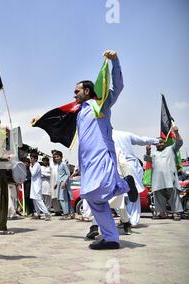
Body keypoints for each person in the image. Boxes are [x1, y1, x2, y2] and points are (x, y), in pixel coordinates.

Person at [73, 50, 138, 250]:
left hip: (102, 155)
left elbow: (118, 86)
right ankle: (111, 237)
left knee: (97, 192)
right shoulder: (79, 111)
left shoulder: (100, 104)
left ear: (87, 91)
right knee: (93, 199)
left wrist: (115, 61)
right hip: (86, 161)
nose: (74, 94)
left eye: (77, 91)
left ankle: (123, 187)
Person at [112, 130, 159, 226]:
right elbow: (142, 140)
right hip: (129, 166)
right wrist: (156, 141)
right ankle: (131, 220)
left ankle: (127, 219)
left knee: (119, 195)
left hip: (117, 166)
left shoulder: (103, 135)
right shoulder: (124, 134)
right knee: (132, 193)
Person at [145, 126, 184, 221]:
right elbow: (147, 159)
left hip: (170, 179)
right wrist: (148, 151)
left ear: (165, 143)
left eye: (161, 142)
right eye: (157, 143)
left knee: (173, 197)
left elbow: (179, 142)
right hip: (157, 181)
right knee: (159, 197)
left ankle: (176, 213)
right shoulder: (154, 154)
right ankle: (161, 213)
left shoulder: (171, 149)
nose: (159, 144)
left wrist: (176, 132)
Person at [30, 152, 51, 221]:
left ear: (35, 159)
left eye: (32, 158)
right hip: (33, 185)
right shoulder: (34, 165)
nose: (31, 159)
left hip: (37, 185)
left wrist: (30, 167)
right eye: (30, 158)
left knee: (39, 200)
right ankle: (37, 214)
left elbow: (33, 174)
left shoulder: (37, 165)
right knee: (34, 200)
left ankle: (46, 213)